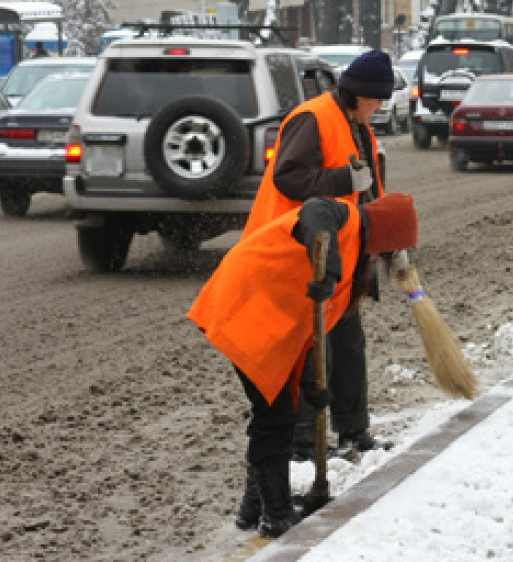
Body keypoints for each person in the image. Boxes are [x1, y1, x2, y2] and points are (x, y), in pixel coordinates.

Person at [188, 193, 419, 538]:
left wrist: (312, 386)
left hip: (267, 316)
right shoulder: (344, 218)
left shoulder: (355, 258)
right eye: (389, 251)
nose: (383, 261)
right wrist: (330, 268)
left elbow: (312, 325)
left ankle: (254, 508)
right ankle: (275, 513)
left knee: (277, 412)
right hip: (247, 304)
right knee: (275, 417)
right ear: (385, 234)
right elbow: (314, 210)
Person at [241, 49, 395, 463]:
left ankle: (354, 430)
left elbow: (366, 188)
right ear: (359, 93)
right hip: (300, 253)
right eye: (377, 98)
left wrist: (382, 233)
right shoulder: (314, 117)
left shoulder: (356, 123)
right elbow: (287, 176)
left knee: (348, 343)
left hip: (341, 251)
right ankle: (304, 443)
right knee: (312, 351)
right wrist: (342, 178)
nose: (381, 106)